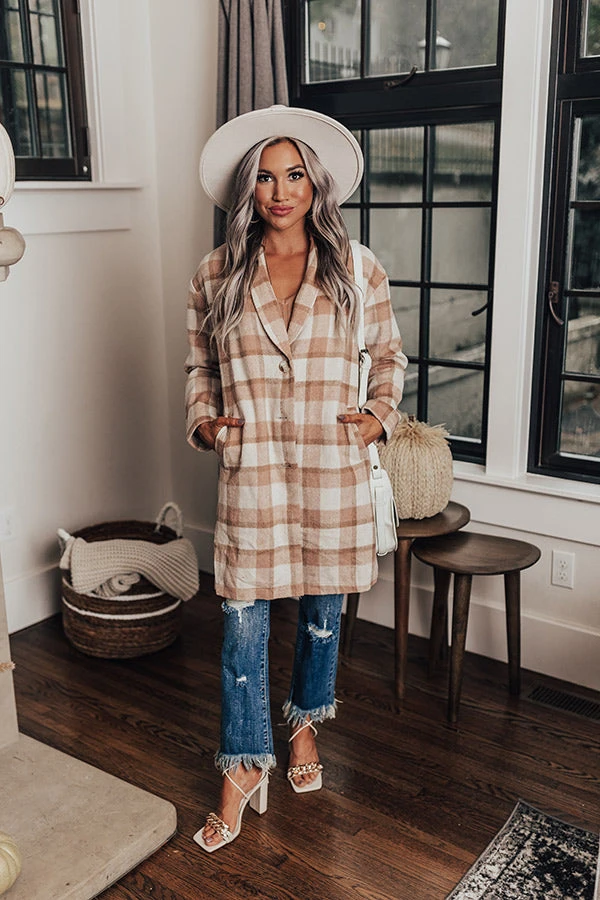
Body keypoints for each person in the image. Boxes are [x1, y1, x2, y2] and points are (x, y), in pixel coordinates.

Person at [185, 105, 407, 852]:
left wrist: (378, 417)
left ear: (316, 184)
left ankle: (306, 723)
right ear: (248, 188)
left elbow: (389, 356)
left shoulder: (357, 267)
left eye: (294, 176)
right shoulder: (215, 273)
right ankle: (244, 763)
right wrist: (206, 422)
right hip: (252, 469)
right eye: (266, 178)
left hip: (329, 463)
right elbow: (199, 367)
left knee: (322, 608)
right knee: (240, 620)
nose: (281, 192)